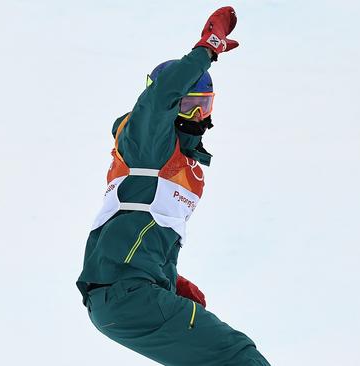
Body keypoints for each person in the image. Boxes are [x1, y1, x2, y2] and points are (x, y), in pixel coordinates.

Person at [76, 7, 270, 366]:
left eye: (204, 105)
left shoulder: (183, 172)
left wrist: (173, 283)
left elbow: (147, 238)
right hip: (127, 293)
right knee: (237, 355)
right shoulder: (146, 143)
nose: (198, 116)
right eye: (188, 105)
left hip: (126, 298)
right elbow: (159, 97)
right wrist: (207, 49)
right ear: (168, 105)